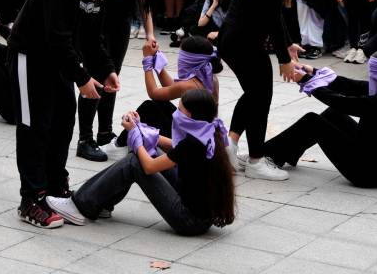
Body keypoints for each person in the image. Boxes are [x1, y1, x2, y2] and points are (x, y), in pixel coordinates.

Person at [8, 0, 140, 228]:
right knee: (34, 127)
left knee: (63, 121)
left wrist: (106, 69)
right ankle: (31, 198)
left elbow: (91, 37)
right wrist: (81, 78)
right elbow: (57, 38)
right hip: (30, 57)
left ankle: (55, 189)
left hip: (57, 62)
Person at [46, 89, 235, 235]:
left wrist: (136, 137)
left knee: (135, 162)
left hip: (189, 220)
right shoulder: (208, 132)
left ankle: (80, 205)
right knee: (151, 151)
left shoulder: (193, 143)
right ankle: (102, 204)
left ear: (192, 116)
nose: (176, 114)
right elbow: (175, 146)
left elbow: (149, 167)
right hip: (199, 212)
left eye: (179, 110)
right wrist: (142, 130)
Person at [218, 0, 303, 181]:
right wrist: (284, 61)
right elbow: (272, 22)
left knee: (255, 93)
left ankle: (230, 145)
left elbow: (274, 16)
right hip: (242, 43)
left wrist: (288, 45)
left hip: (235, 41)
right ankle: (255, 160)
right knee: (261, 96)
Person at [264, 47, 377, 188]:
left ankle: (265, 155)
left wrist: (306, 81)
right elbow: (351, 86)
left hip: (370, 175)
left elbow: (342, 102)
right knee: (333, 114)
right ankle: (283, 152)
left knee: (313, 121)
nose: (370, 75)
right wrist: (313, 72)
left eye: (373, 72)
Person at [76, 0, 157, 162]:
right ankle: (85, 137)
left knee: (112, 75)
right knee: (95, 74)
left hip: (120, 22)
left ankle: (104, 131)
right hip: (96, 19)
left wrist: (150, 32)